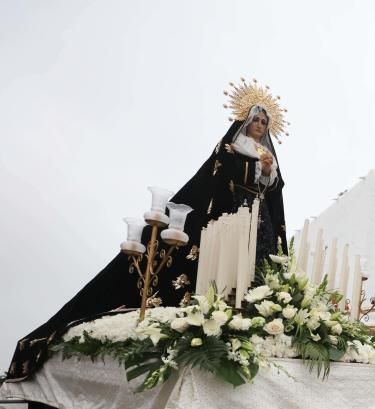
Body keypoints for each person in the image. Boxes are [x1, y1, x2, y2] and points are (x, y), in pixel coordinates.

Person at [7, 101, 287, 380]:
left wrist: (266, 172)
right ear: (245, 122)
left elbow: (273, 187)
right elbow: (223, 170)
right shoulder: (232, 146)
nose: (261, 126)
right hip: (229, 213)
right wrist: (254, 168)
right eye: (257, 120)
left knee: (255, 269)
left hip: (257, 220)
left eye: (265, 122)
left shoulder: (267, 155)